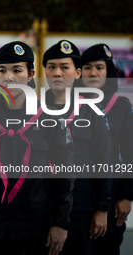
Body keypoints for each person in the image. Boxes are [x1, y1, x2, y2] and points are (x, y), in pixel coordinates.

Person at [0, 41, 75, 255]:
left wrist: (61, 222)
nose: (8, 77)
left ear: (30, 74)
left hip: (35, 226)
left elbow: (65, 173)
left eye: (17, 70)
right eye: (2, 70)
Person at [42, 40, 113, 255]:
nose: (57, 73)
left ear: (78, 72)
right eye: (52, 67)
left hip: (80, 209)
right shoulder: (33, 111)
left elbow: (105, 159)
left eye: (65, 67)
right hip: (41, 209)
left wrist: (102, 208)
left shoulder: (92, 111)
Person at [81, 44, 133, 255]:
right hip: (79, 195)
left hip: (112, 195)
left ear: (108, 72)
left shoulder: (121, 106)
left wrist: (127, 195)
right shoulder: (71, 105)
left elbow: (129, 151)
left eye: (99, 68)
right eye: (87, 68)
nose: (93, 73)